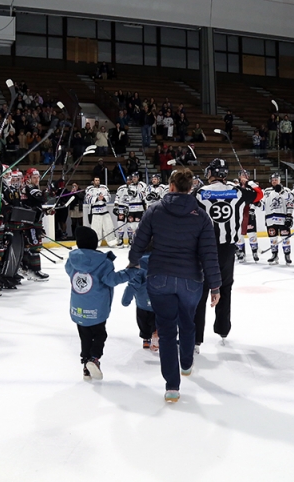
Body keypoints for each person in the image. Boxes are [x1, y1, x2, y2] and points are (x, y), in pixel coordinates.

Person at [129, 168, 222, 402]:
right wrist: (216, 286)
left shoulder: (155, 211)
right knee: (187, 322)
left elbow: (138, 243)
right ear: (190, 188)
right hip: (191, 280)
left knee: (167, 331)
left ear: (170, 186)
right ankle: (187, 363)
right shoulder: (201, 215)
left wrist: (133, 264)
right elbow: (209, 254)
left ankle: (172, 386)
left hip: (159, 278)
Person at [194, 158, 262, 350]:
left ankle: (196, 339)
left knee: (201, 291)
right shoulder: (238, 191)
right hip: (227, 250)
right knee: (225, 288)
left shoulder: (200, 193)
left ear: (212, 173)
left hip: (204, 249)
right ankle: (223, 329)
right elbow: (258, 195)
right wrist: (247, 181)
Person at [65, 226, 134, 381]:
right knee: (99, 335)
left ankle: (85, 366)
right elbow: (112, 280)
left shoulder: (72, 261)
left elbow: (69, 270)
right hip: (96, 309)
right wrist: (130, 272)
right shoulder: (103, 263)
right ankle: (94, 359)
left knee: (85, 336)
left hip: (79, 308)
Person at [263, 172, 294, 265]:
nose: (274, 181)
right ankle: (274, 255)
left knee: (285, 238)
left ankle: (287, 255)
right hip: (270, 219)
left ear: (280, 180)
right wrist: (258, 204)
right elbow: (263, 204)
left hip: (282, 218)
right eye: (273, 180)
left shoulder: (286, 190)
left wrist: (289, 216)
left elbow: (291, 201)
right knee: (273, 238)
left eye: (276, 180)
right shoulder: (267, 191)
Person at [114, 172, 146, 247]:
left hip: (139, 208)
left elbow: (143, 195)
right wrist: (125, 207)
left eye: (135, 177)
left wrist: (136, 194)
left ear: (138, 177)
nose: (134, 178)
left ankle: (138, 241)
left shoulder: (142, 184)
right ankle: (130, 240)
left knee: (138, 225)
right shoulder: (129, 186)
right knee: (130, 225)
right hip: (131, 208)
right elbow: (127, 198)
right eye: (133, 177)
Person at [86, 177, 116, 247]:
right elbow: (87, 199)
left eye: (98, 180)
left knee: (109, 227)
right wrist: (97, 198)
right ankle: (96, 243)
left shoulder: (104, 188)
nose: (97, 181)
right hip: (95, 212)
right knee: (96, 229)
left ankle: (112, 242)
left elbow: (109, 197)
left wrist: (104, 198)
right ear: (93, 181)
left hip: (105, 211)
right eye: (96, 180)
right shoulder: (89, 189)